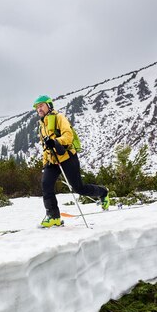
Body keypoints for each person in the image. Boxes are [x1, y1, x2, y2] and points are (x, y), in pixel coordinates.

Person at [34, 95, 110, 227]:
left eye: (41, 105)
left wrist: (55, 141)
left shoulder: (59, 117)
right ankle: (53, 217)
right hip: (52, 161)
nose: (38, 108)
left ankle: (103, 192)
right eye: (37, 107)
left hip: (67, 157)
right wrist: (45, 163)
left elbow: (68, 136)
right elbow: (45, 147)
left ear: (49, 105)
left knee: (79, 188)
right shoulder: (42, 125)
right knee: (46, 184)